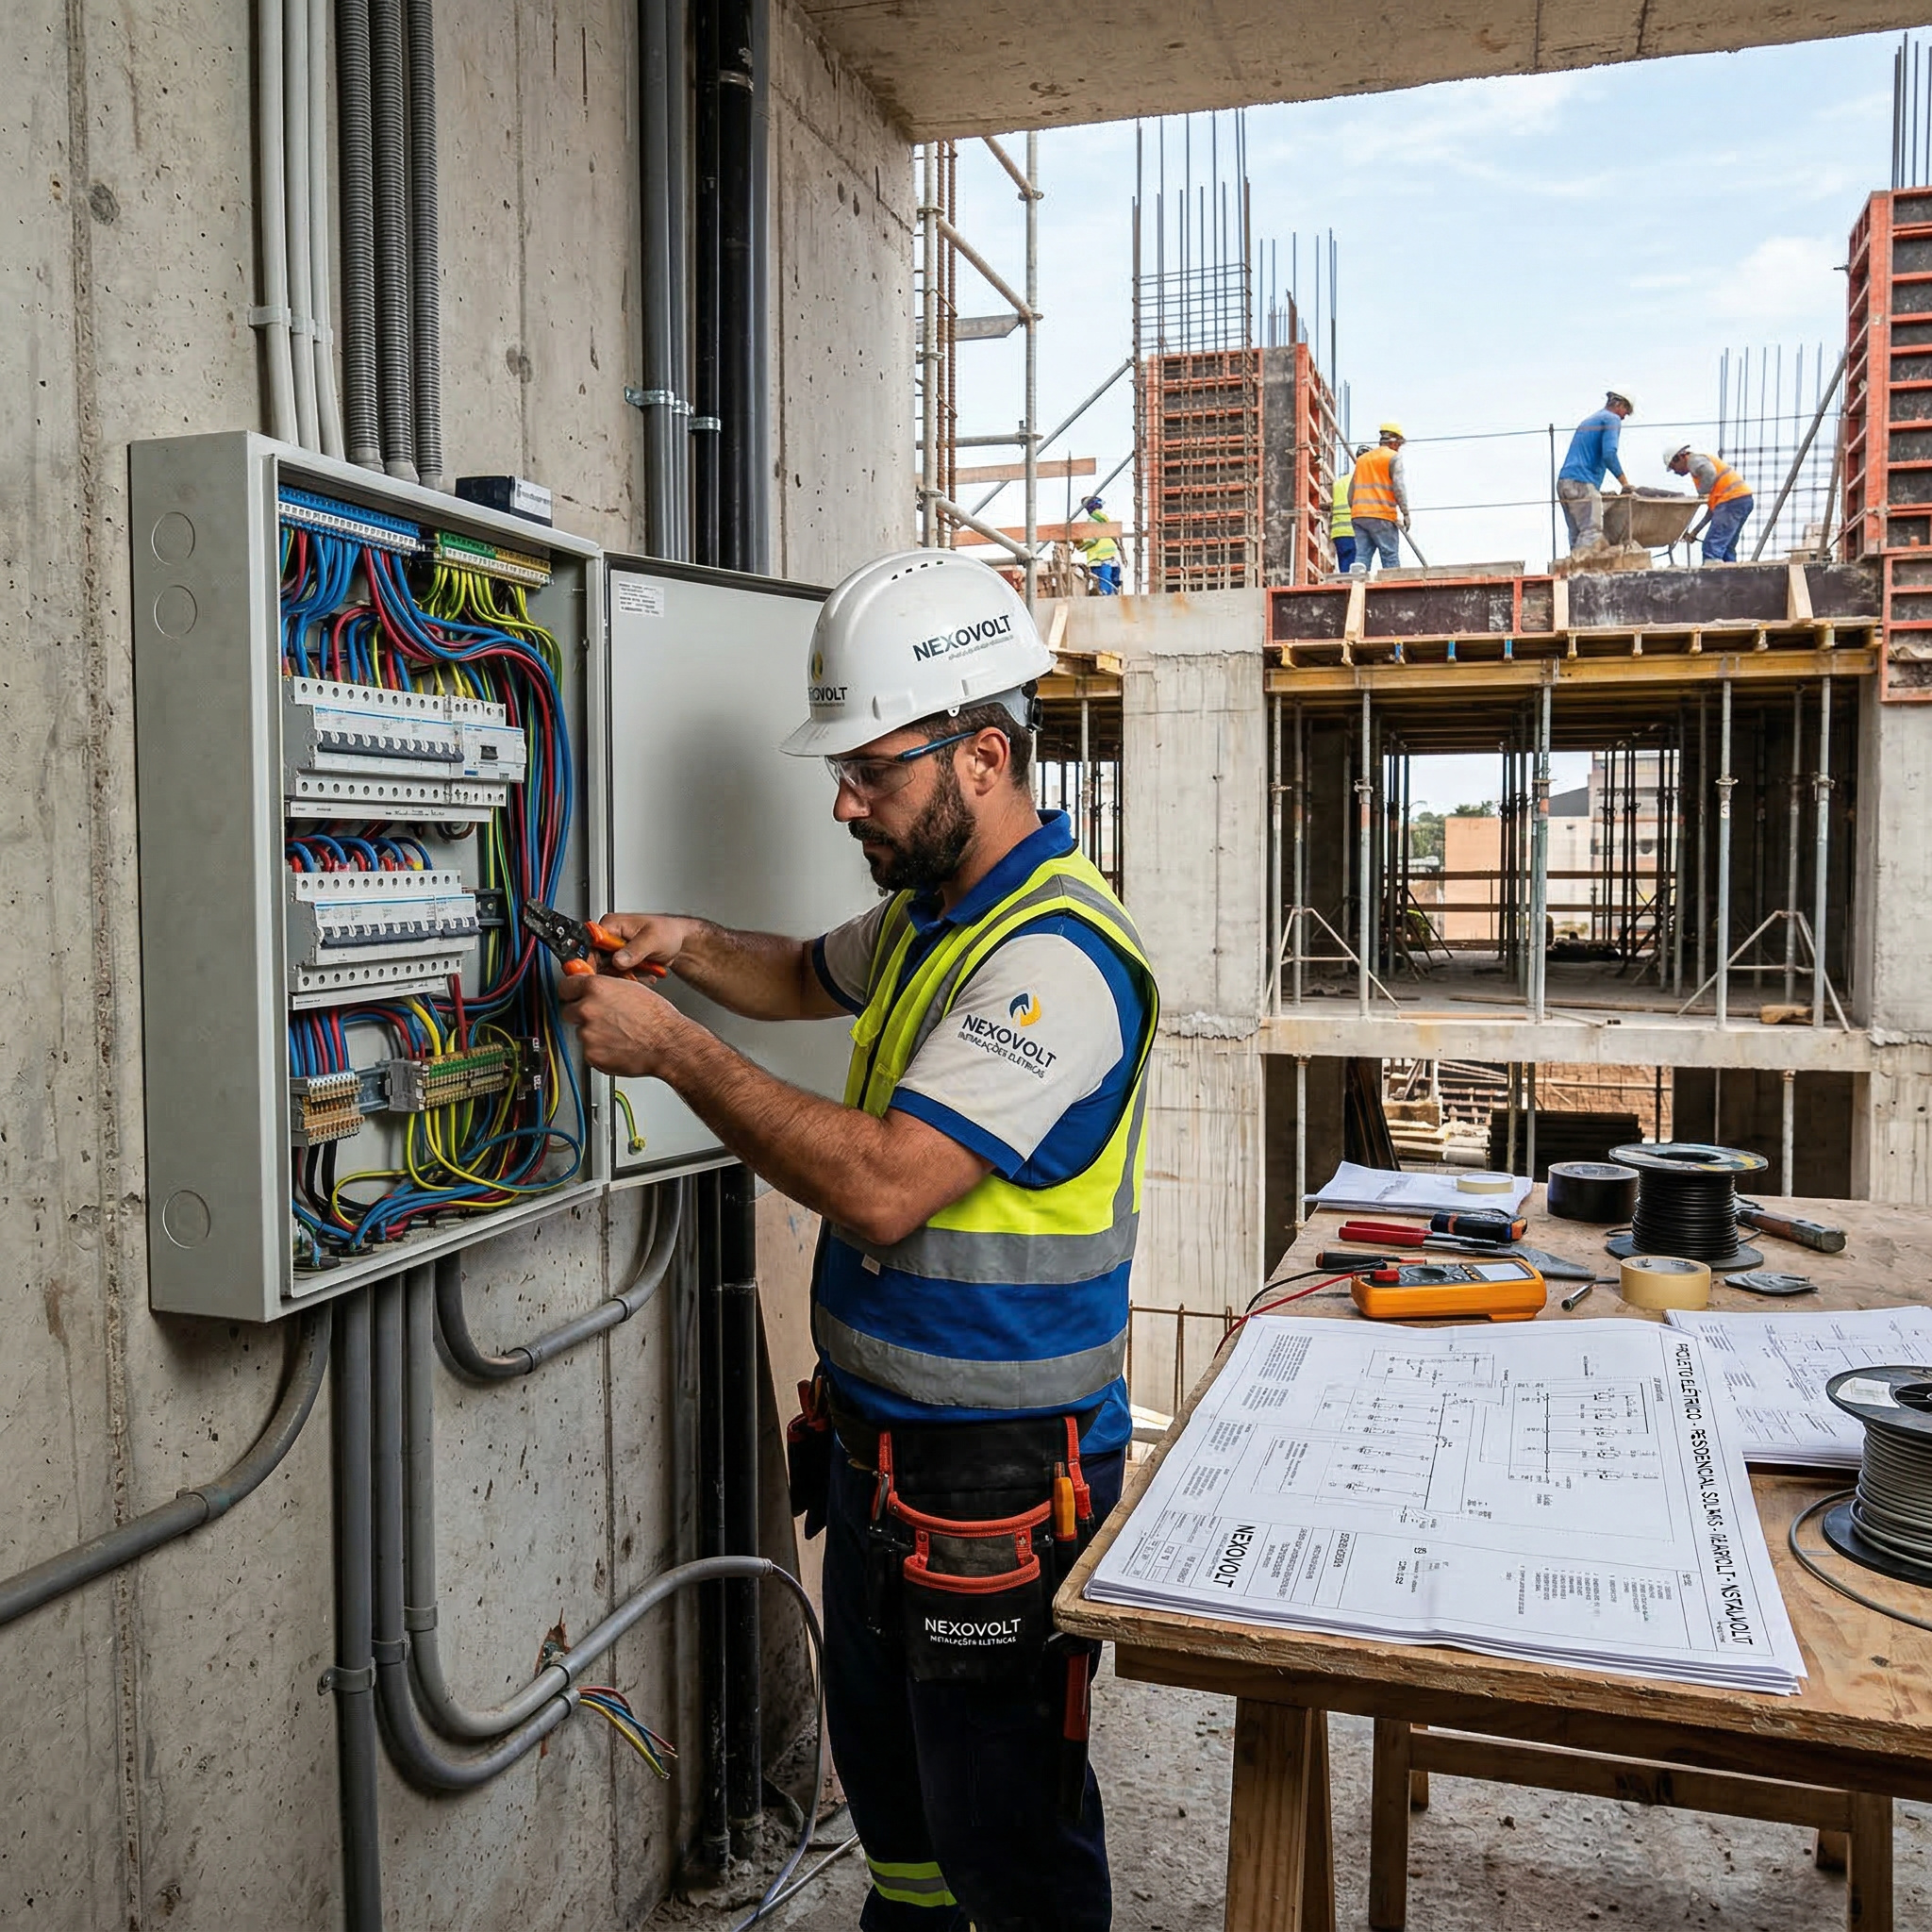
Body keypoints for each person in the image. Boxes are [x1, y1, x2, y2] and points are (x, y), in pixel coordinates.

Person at [560, 549, 1158, 1932]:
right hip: (886, 1464)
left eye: (872, 771)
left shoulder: (1055, 962)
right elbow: (796, 971)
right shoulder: (932, 919)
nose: (844, 802)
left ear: (985, 756)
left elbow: (888, 1188)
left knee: (1011, 1848)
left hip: (1002, 1489)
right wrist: (687, 943)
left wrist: (674, 1051)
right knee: (903, 1841)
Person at [1557, 388, 1635, 558]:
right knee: (1591, 533)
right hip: (1581, 481)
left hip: (1565, 482)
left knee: (1577, 534)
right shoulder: (1612, 419)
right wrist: (1625, 483)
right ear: (1619, 405)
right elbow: (1609, 453)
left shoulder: (1590, 420)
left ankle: (1573, 574)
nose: (1624, 417)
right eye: (1625, 412)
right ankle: (1583, 573)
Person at [1665, 443, 1756, 564]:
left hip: (1731, 500)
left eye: (1673, 466)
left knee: (1712, 546)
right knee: (1726, 546)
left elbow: (1709, 473)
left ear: (1679, 458)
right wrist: (1695, 531)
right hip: (1741, 500)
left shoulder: (1693, 461)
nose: (1675, 472)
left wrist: (1702, 493)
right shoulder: (1700, 472)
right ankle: (1730, 573)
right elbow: (1713, 511)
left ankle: (1712, 577)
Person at [1348, 424, 1409, 576]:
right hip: (1382, 515)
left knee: (1361, 557)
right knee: (1389, 555)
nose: (1399, 448)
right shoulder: (1393, 457)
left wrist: (1358, 509)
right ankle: (1393, 589)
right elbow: (1399, 487)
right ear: (1394, 442)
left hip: (1359, 515)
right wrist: (1405, 513)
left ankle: (1357, 583)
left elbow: (1351, 493)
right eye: (1399, 445)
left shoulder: (1362, 460)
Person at [1074, 493, 1121, 593]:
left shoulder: (1092, 521)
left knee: (1103, 589)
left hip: (1098, 561)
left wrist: (1079, 546)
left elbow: (1092, 540)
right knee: (1112, 588)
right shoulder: (1105, 520)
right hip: (1110, 560)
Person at [1330, 445, 1367, 575]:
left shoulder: (1339, 483)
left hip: (1338, 533)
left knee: (1344, 571)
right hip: (1355, 531)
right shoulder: (1363, 481)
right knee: (1356, 571)